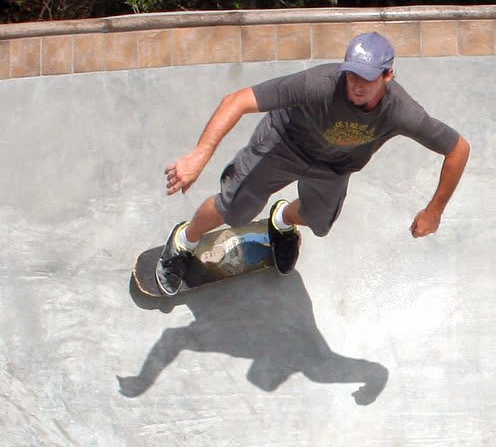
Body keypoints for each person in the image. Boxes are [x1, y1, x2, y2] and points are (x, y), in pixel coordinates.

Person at [158, 31, 470, 291]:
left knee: (319, 223)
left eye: (367, 78)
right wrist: (199, 155)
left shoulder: (402, 112)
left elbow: (458, 149)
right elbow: (238, 101)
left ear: (387, 75)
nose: (356, 85)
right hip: (283, 144)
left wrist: (434, 211)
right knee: (234, 209)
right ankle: (185, 240)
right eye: (351, 75)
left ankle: (280, 221)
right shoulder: (319, 83)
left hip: (333, 168)